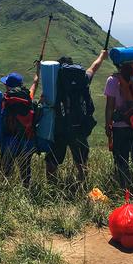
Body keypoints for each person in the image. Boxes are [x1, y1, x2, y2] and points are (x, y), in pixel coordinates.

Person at [45, 50, 108, 184]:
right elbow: (94, 67)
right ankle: (82, 187)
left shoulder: (56, 80)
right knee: (81, 162)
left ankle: (51, 187)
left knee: (52, 162)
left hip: (60, 127)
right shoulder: (81, 78)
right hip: (79, 126)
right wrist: (102, 55)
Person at [104, 60, 133, 196]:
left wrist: (108, 124)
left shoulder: (112, 80)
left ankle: (125, 192)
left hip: (120, 127)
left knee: (121, 160)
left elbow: (110, 106)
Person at [0, 66, 40, 187]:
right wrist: (38, 70)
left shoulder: (5, 99)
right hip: (26, 139)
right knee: (25, 168)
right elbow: (35, 83)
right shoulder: (29, 98)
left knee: (6, 169)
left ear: (8, 86)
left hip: (9, 139)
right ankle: (26, 188)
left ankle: (5, 190)